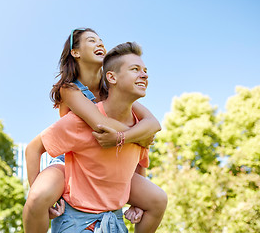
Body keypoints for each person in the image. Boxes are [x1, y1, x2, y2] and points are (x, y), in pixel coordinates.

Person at [23, 30, 167, 232]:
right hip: (71, 159)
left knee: (157, 199)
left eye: (101, 40)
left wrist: (131, 137)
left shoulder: (113, 89)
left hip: (110, 159)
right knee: (38, 197)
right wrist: (137, 136)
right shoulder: (70, 88)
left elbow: (153, 124)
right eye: (92, 41)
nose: (100, 44)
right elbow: (100, 124)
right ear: (75, 52)